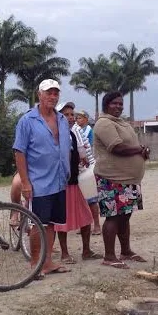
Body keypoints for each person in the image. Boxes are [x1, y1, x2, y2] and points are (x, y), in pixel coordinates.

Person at [13, 79, 71, 275]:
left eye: (56, 93)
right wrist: (25, 182)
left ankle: (48, 262)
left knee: (52, 222)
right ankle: (35, 264)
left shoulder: (62, 120)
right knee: (37, 223)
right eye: (49, 93)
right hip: (38, 182)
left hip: (59, 180)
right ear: (39, 94)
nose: (52, 97)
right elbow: (19, 152)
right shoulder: (27, 120)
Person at [94, 91, 149, 269]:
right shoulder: (104, 123)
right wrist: (138, 150)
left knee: (125, 216)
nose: (118, 106)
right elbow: (116, 147)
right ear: (106, 105)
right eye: (114, 103)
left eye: (120, 103)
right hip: (112, 179)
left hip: (128, 180)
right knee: (113, 217)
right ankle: (109, 256)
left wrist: (141, 152)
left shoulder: (122, 123)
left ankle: (125, 251)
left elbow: (130, 146)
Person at [53, 102, 101, 263]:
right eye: (66, 115)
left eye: (72, 114)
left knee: (86, 217)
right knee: (62, 220)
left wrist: (84, 160)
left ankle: (86, 251)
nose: (70, 117)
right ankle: (65, 254)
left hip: (76, 182)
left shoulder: (72, 134)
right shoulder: (54, 134)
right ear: (58, 117)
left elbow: (80, 153)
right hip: (62, 184)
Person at [74, 109, 101, 235]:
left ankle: (96, 225)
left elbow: (85, 149)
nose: (76, 119)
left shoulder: (83, 130)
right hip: (76, 169)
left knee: (90, 198)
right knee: (80, 199)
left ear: (85, 119)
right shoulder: (71, 129)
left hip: (86, 167)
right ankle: (84, 224)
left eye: (79, 117)